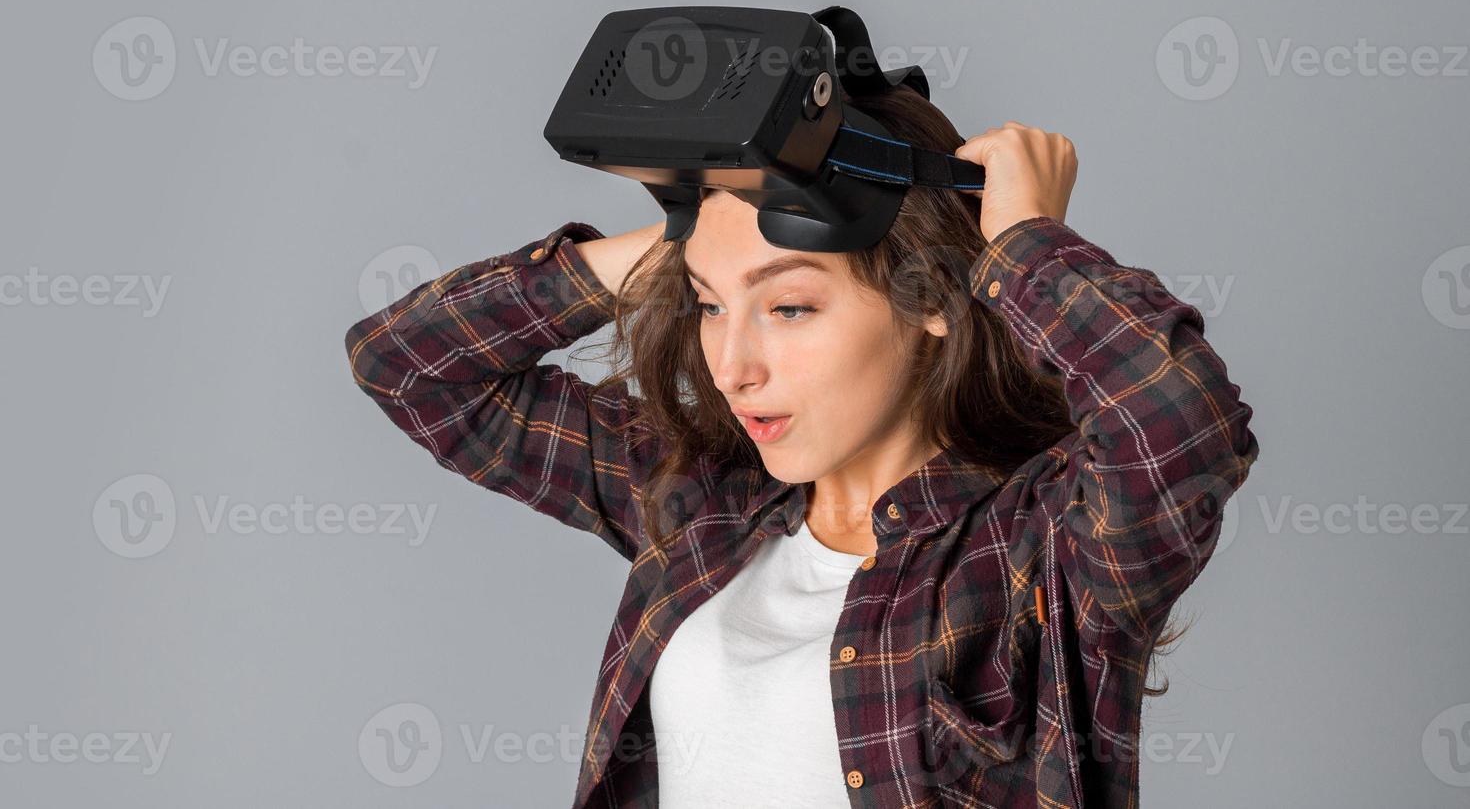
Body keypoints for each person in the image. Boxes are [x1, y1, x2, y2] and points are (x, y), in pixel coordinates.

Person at [343, 85, 1260, 808]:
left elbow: (1177, 422)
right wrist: (680, 244)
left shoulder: (1045, 549)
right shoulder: (702, 505)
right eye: (709, 308)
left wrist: (1021, 242)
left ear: (933, 300)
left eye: (789, 307)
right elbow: (412, 367)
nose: (733, 366)